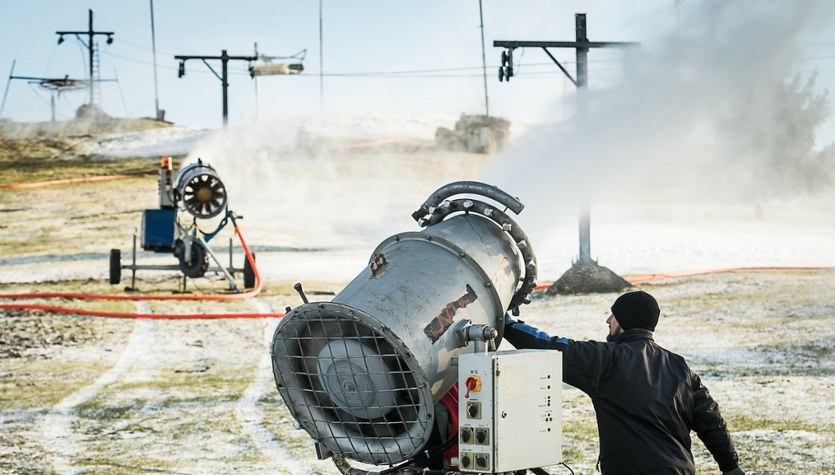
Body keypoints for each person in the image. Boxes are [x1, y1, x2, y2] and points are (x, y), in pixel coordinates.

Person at [502, 290, 743, 475]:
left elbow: (550, 346)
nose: (608, 320)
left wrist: (506, 324)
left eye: (614, 315)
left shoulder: (607, 360)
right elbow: (712, 421)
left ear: (625, 320)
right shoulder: (680, 367)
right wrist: (730, 466)